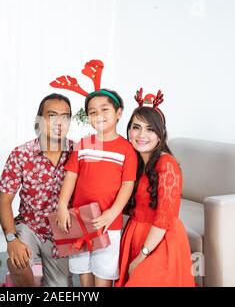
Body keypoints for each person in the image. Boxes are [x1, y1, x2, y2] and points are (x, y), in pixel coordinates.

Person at [56, 89, 137, 287]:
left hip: (108, 223)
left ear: (118, 113)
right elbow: (71, 176)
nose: (98, 116)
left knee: (104, 271)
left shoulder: (127, 149)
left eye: (104, 110)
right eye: (92, 112)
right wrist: (62, 206)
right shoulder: (84, 144)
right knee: (83, 271)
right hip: (79, 218)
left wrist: (113, 213)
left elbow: (127, 184)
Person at [115, 89, 195, 287]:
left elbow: (163, 219)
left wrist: (142, 256)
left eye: (150, 129)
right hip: (134, 234)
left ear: (160, 135)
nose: (142, 135)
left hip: (160, 240)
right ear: (128, 131)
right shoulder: (135, 162)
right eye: (136, 127)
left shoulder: (167, 165)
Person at [0, 93, 74, 287]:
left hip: (61, 233)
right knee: (18, 262)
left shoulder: (78, 152)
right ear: (39, 120)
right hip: (30, 226)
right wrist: (11, 239)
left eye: (65, 117)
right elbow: (3, 202)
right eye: (52, 116)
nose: (59, 123)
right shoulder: (21, 154)